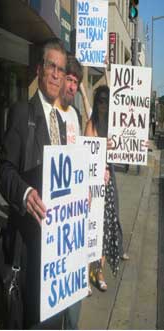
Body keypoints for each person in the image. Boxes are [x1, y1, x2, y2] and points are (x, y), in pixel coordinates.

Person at [0, 38, 67, 328]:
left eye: (61, 70)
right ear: (39, 70)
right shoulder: (21, 112)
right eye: (51, 66)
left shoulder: (61, 122)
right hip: (28, 248)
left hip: (56, 253)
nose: (55, 74)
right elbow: (4, 169)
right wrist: (25, 194)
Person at [84, 86, 128, 292]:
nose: (103, 104)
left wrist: (138, 144)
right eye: (100, 100)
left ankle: (98, 270)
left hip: (107, 182)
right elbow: (87, 156)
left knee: (105, 227)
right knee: (91, 225)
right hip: (93, 183)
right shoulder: (90, 124)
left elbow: (127, 141)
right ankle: (86, 273)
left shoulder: (112, 124)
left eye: (106, 101)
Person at [57, 55, 86, 330]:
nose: (73, 87)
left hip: (73, 218)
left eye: (76, 82)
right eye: (70, 79)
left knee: (73, 309)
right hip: (54, 218)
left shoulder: (75, 117)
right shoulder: (47, 113)